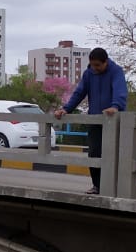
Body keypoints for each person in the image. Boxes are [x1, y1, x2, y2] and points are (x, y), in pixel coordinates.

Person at [54, 47, 127, 195]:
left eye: (98, 65)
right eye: (92, 65)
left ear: (106, 62)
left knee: (114, 154)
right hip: (95, 119)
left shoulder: (116, 71)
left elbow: (120, 91)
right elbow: (79, 93)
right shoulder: (89, 74)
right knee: (94, 153)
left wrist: (115, 106)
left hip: (113, 120)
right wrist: (66, 109)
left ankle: (116, 186)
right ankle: (97, 185)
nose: (95, 68)